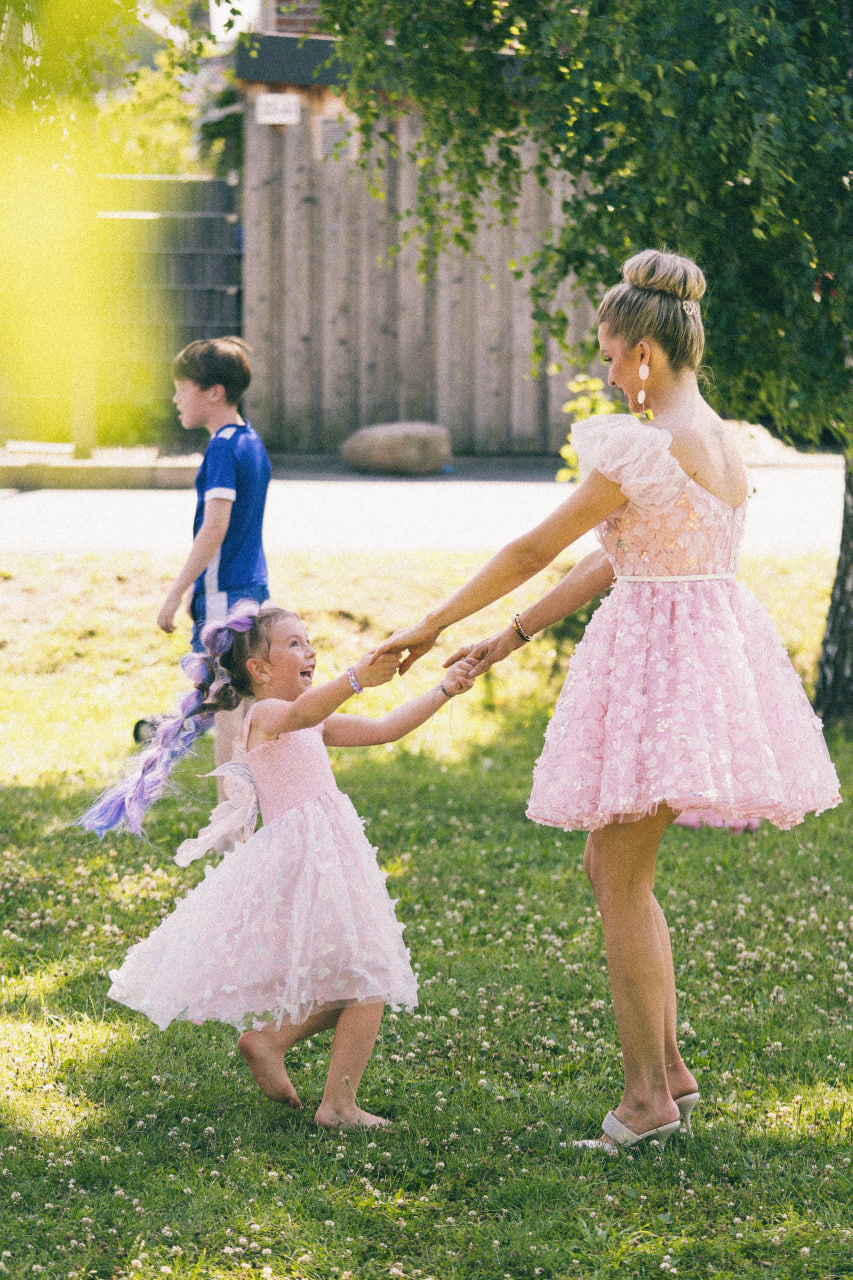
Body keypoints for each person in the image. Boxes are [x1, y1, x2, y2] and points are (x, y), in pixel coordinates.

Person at [373, 249, 841, 1151]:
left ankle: (644, 1101)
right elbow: (609, 556)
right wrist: (507, 636)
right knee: (611, 868)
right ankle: (667, 1073)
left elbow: (530, 548)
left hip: (664, 668)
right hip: (695, 656)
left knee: (619, 878)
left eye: (607, 351)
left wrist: (430, 623)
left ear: (644, 357)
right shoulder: (714, 433)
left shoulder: (643, 442)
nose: (603, 367)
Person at [86, 601, 476, 1128]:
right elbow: (301, 713)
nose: (309, 649)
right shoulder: (266, 714)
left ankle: (269, 1041)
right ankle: (338, 1105)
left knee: (359, 976)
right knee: (371, 975)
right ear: (260, 670)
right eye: (294, 643)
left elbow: (385, 729)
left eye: (308, 640)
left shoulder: (311, 719)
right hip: (307, 859)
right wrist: (355, 676)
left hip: (329, 854)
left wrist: (444, 689)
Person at [153, 336, 272, 786]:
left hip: (228, 598)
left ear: (213, 391)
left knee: (229, 718)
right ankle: (241, 837)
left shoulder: (223, 447)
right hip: (249, 593)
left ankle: (231, 842)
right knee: (244, 715)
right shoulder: (250, 441)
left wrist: (176, 591)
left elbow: (216, 527)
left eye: (183, 387)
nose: (176, 398)